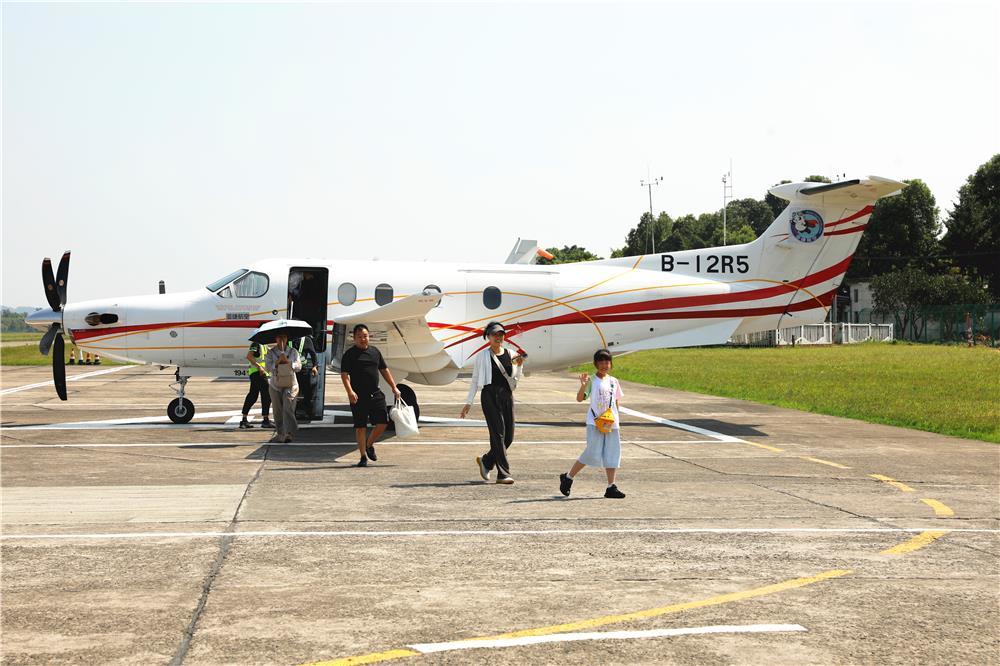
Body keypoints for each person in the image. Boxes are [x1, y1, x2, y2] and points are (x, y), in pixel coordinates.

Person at [460, 321, 524, 484]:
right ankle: (503, 474)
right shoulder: (482, 356)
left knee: (508, 437)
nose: (498, 337)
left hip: (507, 396)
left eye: (501, 334)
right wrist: (469, 402)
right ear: (487, 337)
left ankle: (487, 461)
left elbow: (515, 379)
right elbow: (475, 380)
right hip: (489, 396)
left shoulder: (512, 354)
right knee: (498, 434)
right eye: (494, 334)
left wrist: (520, 367)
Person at [559, 348, 626, 499]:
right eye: (601, 362)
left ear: (611, 364)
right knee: (592, 453)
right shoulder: (592, 381)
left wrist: (617, 420)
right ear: (595, 364)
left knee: (612, 453)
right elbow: (580, 398)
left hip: (611, 423)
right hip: (595, 422)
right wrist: (583, 385)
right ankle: (568, 477)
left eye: (607, 361)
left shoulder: (614, 381)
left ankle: (611, 486)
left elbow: (616, 402)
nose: (604, 364)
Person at [341, 324, 402, 467]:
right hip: (358, 397)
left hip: (375, 394)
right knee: (360, 427)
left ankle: (369, 444)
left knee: (383, 423)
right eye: (360, 337)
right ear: (354, 338)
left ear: (369, 336)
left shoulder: (375, 352)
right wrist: (350, 391)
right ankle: (363, 457)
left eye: (365, 336)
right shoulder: (349, 355)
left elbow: (384, 370)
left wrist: (394, 387)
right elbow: (344, 375)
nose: (363, 339)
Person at [264, 333, 302, 443]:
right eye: (279, 337)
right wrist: (277, 362)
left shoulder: (293, 351)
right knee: (277, 410)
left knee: (288, 407)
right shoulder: (271, 352)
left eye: (284, 337)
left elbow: (298, 366)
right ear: (276, 338)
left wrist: (288, 362)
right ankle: (281, 433)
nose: (282, 339)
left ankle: (289, 432)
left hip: (291, 384)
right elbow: (267, 367)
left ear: (287, 339)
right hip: (276, 385)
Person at [239, 341, 273, 430]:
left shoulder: (264, 345)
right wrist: (259, 367)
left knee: (253, 395)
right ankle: (265, 420)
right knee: (266, 395)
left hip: (258, 373)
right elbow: (249, 356)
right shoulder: (256, 344)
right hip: (258, 373)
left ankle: (244, 419)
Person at [293, 334, 320, 422]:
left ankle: (307, 412)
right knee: (291, 393)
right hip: (290, 371)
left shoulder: (306, 340)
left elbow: (313, 354)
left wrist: (315, 366)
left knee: (308, 392)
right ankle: (292, 413)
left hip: (302, 370)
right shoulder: (288, 339)